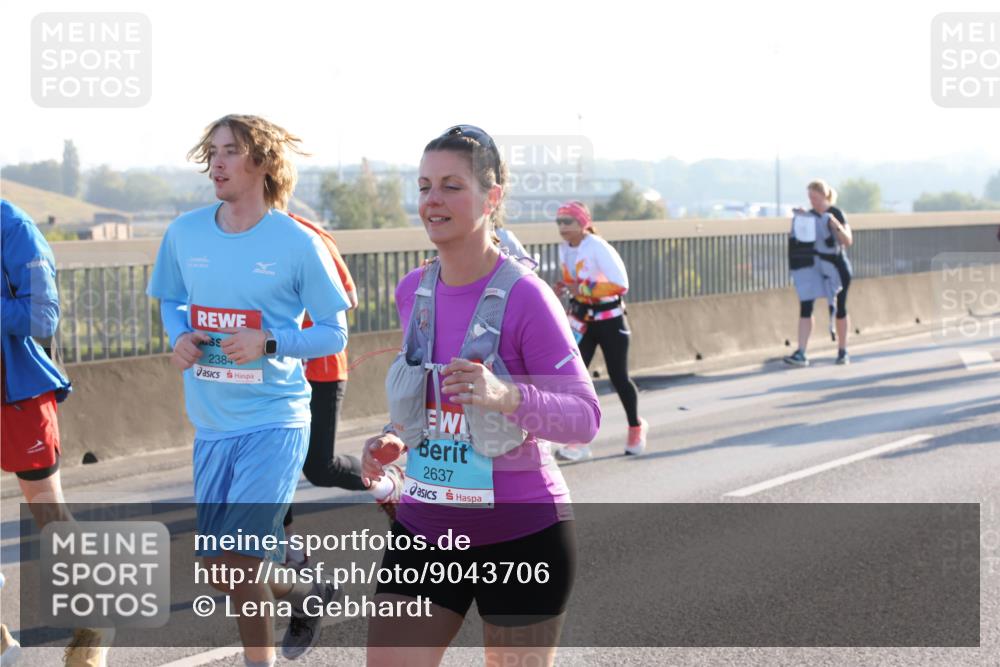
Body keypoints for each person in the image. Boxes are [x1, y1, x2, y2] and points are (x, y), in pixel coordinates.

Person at [354, 125, 600, 667]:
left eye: (450, 186)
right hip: (424, 532)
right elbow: (434, 403)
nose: (432, 200)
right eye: (424, 187)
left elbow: (585, 419)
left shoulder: (527, 297)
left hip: (522, 537)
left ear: (492, 198)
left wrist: (506, 396)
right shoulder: (411, 292)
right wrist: (394, 439)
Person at [147, 114, 352, 665]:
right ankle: (306, 590)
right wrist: (180, 335)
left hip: (274, 420)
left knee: (238, 562)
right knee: (220, 571)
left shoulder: (296, 242)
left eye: (231, 151)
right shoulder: (184, 233)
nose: (217, 162)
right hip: (212, 425)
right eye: (211, 151)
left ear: (261, 163)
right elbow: (169, 298)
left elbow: (334, 331)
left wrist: (268, 343)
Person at [1, 199, 112, 667]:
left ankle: (96, 619)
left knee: (51, 519)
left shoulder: (14, 227)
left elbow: (43, 318)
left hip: (16, 394)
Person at [280, 213, 363, 569]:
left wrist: (298, 332)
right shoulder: (237, 236)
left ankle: (389, 482)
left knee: (319, 468)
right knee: (276, 464)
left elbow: (350, 298)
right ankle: (291, 553)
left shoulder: (310, 236)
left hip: (322, 369)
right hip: (274, 374)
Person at [553, 201, 648, 461]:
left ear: (583, 223)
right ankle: (578, 440)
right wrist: (564, 286)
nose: (562, 227)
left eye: (568, 221)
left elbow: (621, 284)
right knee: (574, 378)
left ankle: (635, 427)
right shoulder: (564, 249)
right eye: (559, 222)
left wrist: (581, 290)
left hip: (610, 320)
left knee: (619, 377)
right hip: (582, 320)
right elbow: (575, 282)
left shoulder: (598, 247)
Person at [783, 180, 854, 367]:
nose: (812, 201)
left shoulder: (836, 214)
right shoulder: (809, 216)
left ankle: (842, 350)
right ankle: (801, 352)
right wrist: (800, 220)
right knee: (806, 306)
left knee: (840, 308)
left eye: (814, 197)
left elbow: (847, 241)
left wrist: (835, 225)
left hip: (836, 267)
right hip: (814, 266)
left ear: (824, 196)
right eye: (810, 198)